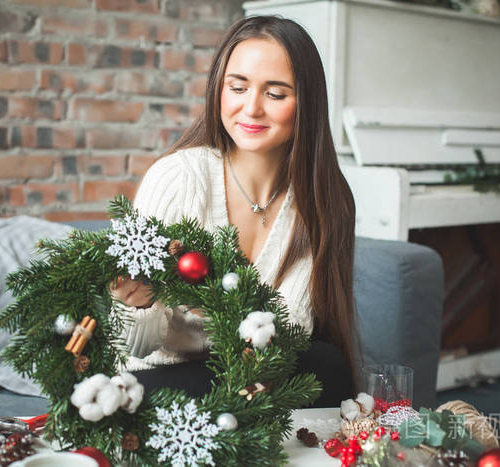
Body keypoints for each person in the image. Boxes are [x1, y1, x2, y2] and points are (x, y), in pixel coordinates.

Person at [110, 15, 357, 407]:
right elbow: (134, 346)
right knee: (142, 394)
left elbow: (295, 336)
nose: (251, 108)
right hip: (163, 377)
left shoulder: (326, 200)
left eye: (275, 94)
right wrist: (137, 303)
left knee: (330, 367)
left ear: (306, 104)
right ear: (219, 91)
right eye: (237, 87)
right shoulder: (178, 178)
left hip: (262, 374)